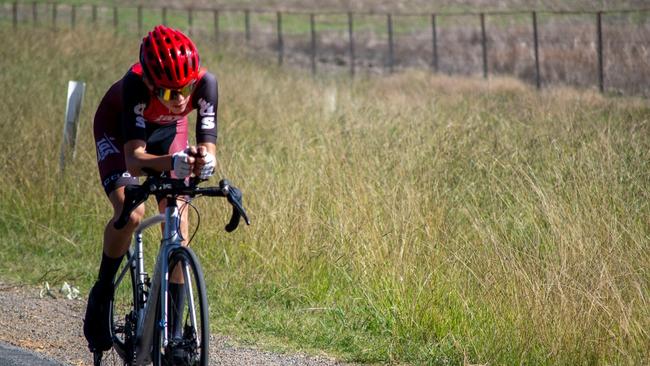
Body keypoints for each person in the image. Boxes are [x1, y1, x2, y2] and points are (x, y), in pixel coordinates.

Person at [84, 25, 218, 355]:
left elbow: (208, 145)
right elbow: (134, 161)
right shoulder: (134, 86)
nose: (183, 99)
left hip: (168, 132)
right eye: (171, 93)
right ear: (149, 83)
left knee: (179, 223)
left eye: (186, 87)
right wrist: (172, 161)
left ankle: (173, 336)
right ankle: (101, 294)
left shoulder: (206, 84)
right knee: (131, 214)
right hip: (120, 134)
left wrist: (206, 159)